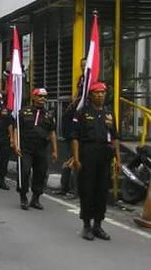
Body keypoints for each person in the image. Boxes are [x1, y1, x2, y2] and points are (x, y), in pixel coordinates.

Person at [71, 82, 121, 241]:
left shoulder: (109, 113)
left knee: (101, 191)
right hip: (88, 155)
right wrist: (77, 159)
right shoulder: (82, 113)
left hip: (105, 156)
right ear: (91, 95)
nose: (100, 95)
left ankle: (98, 225)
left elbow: (114, 138)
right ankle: (86, 225)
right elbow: (75, 138)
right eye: (97, 93)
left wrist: (118, 159)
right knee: (87, 190)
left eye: (103, 93)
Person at [13, 88, 58, 210]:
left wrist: (55, 150)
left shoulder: (49, 114)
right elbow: (16, 129)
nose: (42, 99)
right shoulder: (23, 112)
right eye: (40, 96)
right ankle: (23, 197)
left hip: (41, 148)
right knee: (25, 171)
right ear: (34, 97)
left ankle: (36, 198)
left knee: (41, 173)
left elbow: (52, 132)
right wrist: (16, 144)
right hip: (25, 148)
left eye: (44, 96)